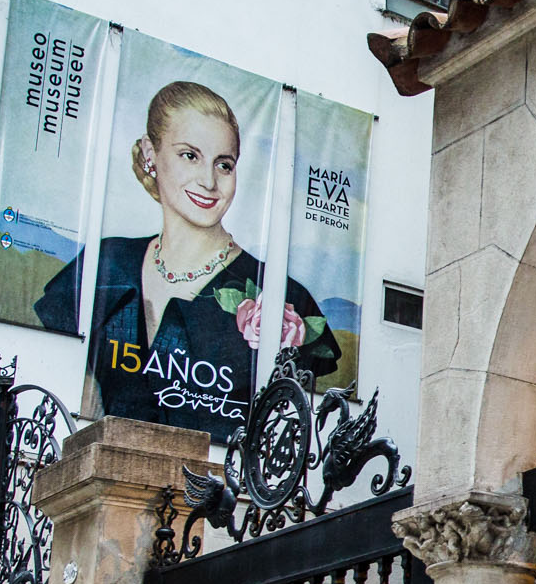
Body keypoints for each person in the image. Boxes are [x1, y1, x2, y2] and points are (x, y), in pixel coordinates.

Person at [36, 79, 338, 443]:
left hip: (216, 493)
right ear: (151, 153)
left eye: (224, 164)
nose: (209, 181)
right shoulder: (105, 264)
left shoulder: (284, 298)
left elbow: (284, 437)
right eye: (189, 156)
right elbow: (79, 400)